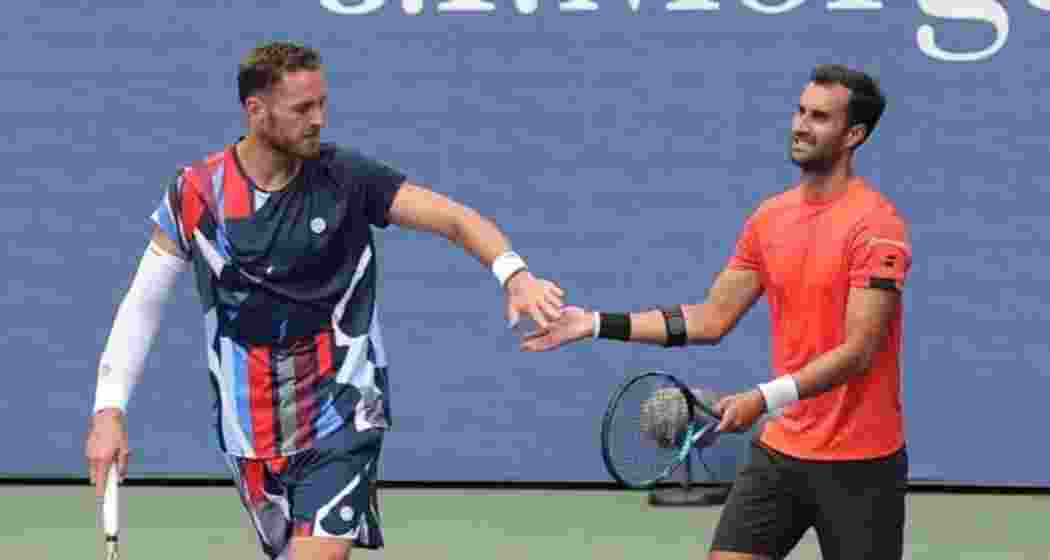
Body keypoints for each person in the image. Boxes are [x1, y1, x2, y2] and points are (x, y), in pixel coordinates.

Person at [84, 40, 565, 560]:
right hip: (248, 426)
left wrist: (513, 274)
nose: (319, 119)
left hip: (343, 408)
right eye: (302, 108)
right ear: (256, 110)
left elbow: (454, 218)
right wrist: (108, 410)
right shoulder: (198, 193)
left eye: (323, 104)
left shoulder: (346, 177)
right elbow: (143, 303)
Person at [522, 64, 912, 560]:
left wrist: (762, 397)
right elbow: (710, 318)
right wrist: (595, 323)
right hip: (782, 452)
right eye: (799, 111)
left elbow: (859, 351)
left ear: (853, 134)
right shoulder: (770, 219)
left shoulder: (877, 226)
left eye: (819, 117)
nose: (800, 125)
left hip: (862, 463)